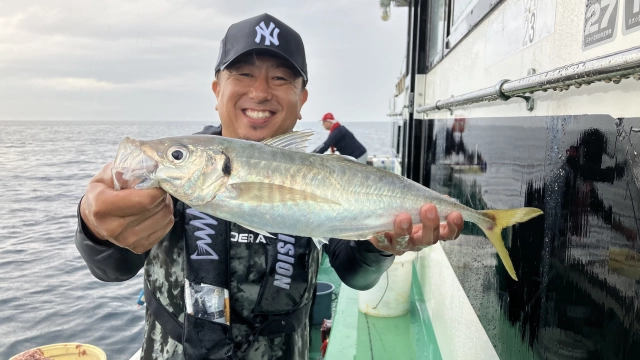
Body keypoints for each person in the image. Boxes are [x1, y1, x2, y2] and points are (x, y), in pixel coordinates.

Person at [74, 13, 463, 360]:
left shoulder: (326, 174)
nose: (260, 92)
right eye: (243, 75)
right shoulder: (182, 173)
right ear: (216, 90)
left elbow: (355, 275)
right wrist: (97, 230)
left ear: (302, 98)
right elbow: (110, 268)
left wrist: (381, 246)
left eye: (280, 78)